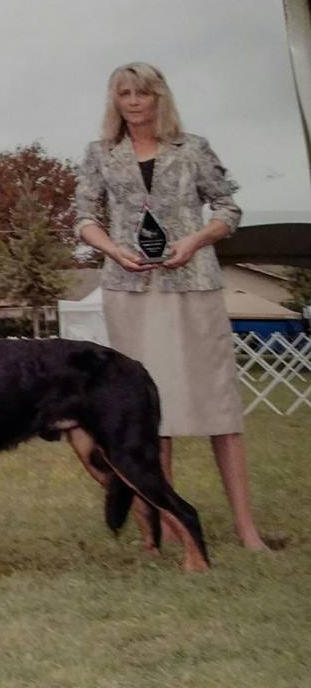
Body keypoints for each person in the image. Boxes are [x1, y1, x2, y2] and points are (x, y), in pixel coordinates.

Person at [75, 61, 271, 551]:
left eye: (143, 92)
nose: (135, 101)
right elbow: (83, 217)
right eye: (124, 93)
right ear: (114, 100)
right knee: (146, 416)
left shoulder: (194, 149)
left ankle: (248, 531)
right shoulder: (101, 154)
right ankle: (161, 530)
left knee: (218, 410)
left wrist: (197, 239)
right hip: (130, 292)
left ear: (160, 97)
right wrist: (112, 248)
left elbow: (228, 208)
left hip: (193, 287)